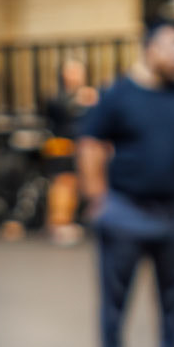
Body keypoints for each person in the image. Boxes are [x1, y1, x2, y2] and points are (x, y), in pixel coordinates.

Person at [76, 22, 174, 347]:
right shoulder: (118, 94)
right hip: (125, 210)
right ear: (150, 50)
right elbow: (90, 143)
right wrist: (97, 197)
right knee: (114, 294)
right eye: (173, 47)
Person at [43, 57, 98, 244]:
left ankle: (81, 220)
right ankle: (59, 223)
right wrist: (79, 101)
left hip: (84, 146)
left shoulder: (90, 95)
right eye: (71, 71)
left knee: (83, 184)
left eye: (78, 71)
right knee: (64, 183)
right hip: (62, 146)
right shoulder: (57, 98)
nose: (75, 75)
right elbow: (56, 114)